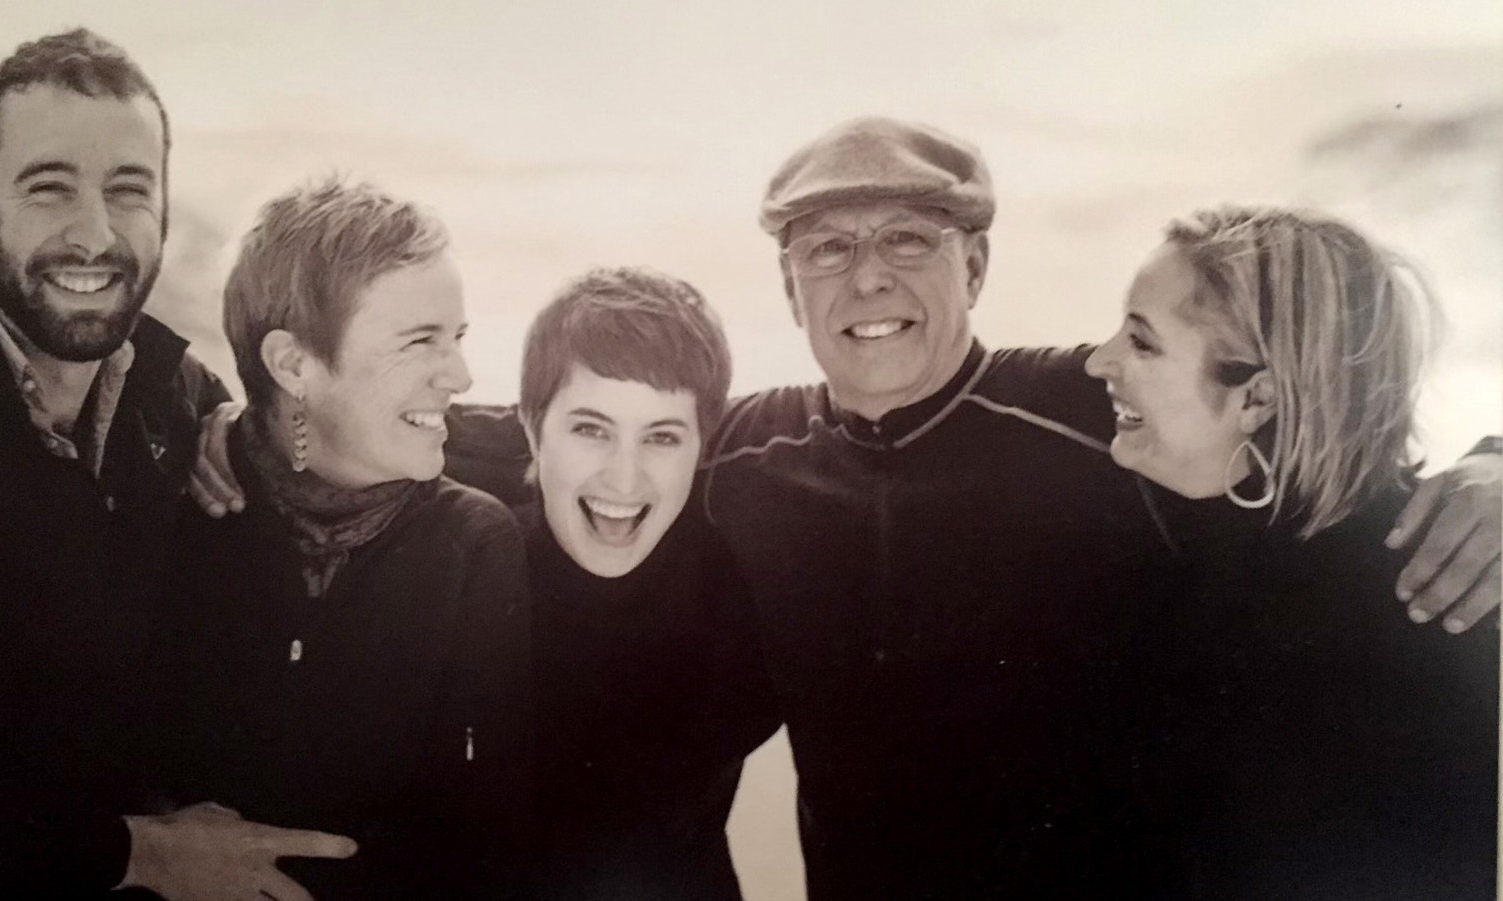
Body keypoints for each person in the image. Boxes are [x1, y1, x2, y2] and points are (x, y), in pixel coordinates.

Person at [194, 117, 1502, 898]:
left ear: (977, 262)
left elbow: (1330, 463)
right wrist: (257, 423)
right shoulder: (750, 450)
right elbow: (571, 422)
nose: (866, 277)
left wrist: (1494, 469)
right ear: (789, 282)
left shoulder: (1102, 424)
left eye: (909, 241)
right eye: (827, 246)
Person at [0, 30, 358, 901]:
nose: (95, 233)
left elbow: (331, 424)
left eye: (129, 190)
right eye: (49, 187)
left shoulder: (177, 393)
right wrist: (139, 854)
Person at [1086, 207, 1498, 898]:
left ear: (1260, 397)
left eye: (1142, 343)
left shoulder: (1437, 587)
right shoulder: (1197, 520)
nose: (1098, 361)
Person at [153, 178, 533, 899]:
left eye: (456, 338)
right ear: (293, 364)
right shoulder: (177, 505)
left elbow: (487, 841)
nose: (459, 374)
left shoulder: (474, 543)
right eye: (420, 341)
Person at [514, 267, 780, 899]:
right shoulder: (458, 562)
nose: (624, 481)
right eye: (590, 429)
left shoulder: (746, 581)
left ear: (703, 448)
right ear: (530, 428)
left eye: (661, 437)